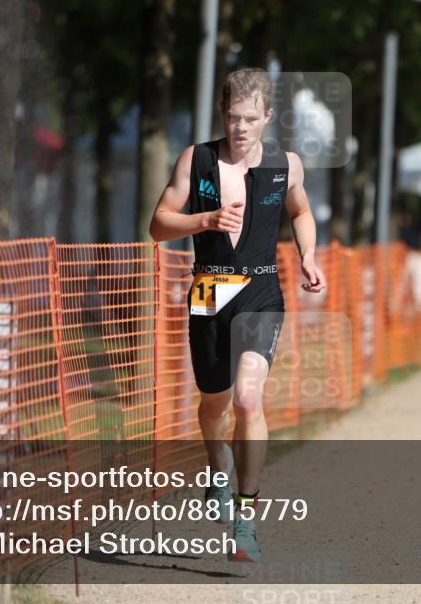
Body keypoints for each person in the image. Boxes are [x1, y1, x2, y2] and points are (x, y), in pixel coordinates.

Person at [149, 68, 325, 561]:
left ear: (268, 117)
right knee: (215, 405)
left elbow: (301, 212)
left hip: (262, 291)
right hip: (209, 290)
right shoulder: (198, 160)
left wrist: (308, 253)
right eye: (233, 117)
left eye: (250, 118)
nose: (241, 127)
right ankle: (216, 467)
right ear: (222, 115)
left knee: (249, 398)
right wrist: (203, 219)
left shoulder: (285, 165)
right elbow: (158, 224)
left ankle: (246, 516)